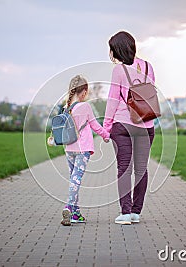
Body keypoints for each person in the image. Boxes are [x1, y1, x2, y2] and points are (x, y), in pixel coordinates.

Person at [103, 31, 155, 225]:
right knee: (141, 169)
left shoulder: (119, 70)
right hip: (146, 124)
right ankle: (135, 212)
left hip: (122, 125)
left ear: (118, 49)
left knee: (124, 169)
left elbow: (112, 100)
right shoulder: (149, 67)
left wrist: (107, 127)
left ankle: (125, 213)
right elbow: (150, 95)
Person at [61, 75, 110, 226]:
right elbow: (95, 125)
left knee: (73, 179)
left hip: (69, 148)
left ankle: (76, 213)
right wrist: (106, 135)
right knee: (76, 179)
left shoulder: (66, 108)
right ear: (84, 91)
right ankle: (69, 206)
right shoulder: (85, 106)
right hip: (83, 149)